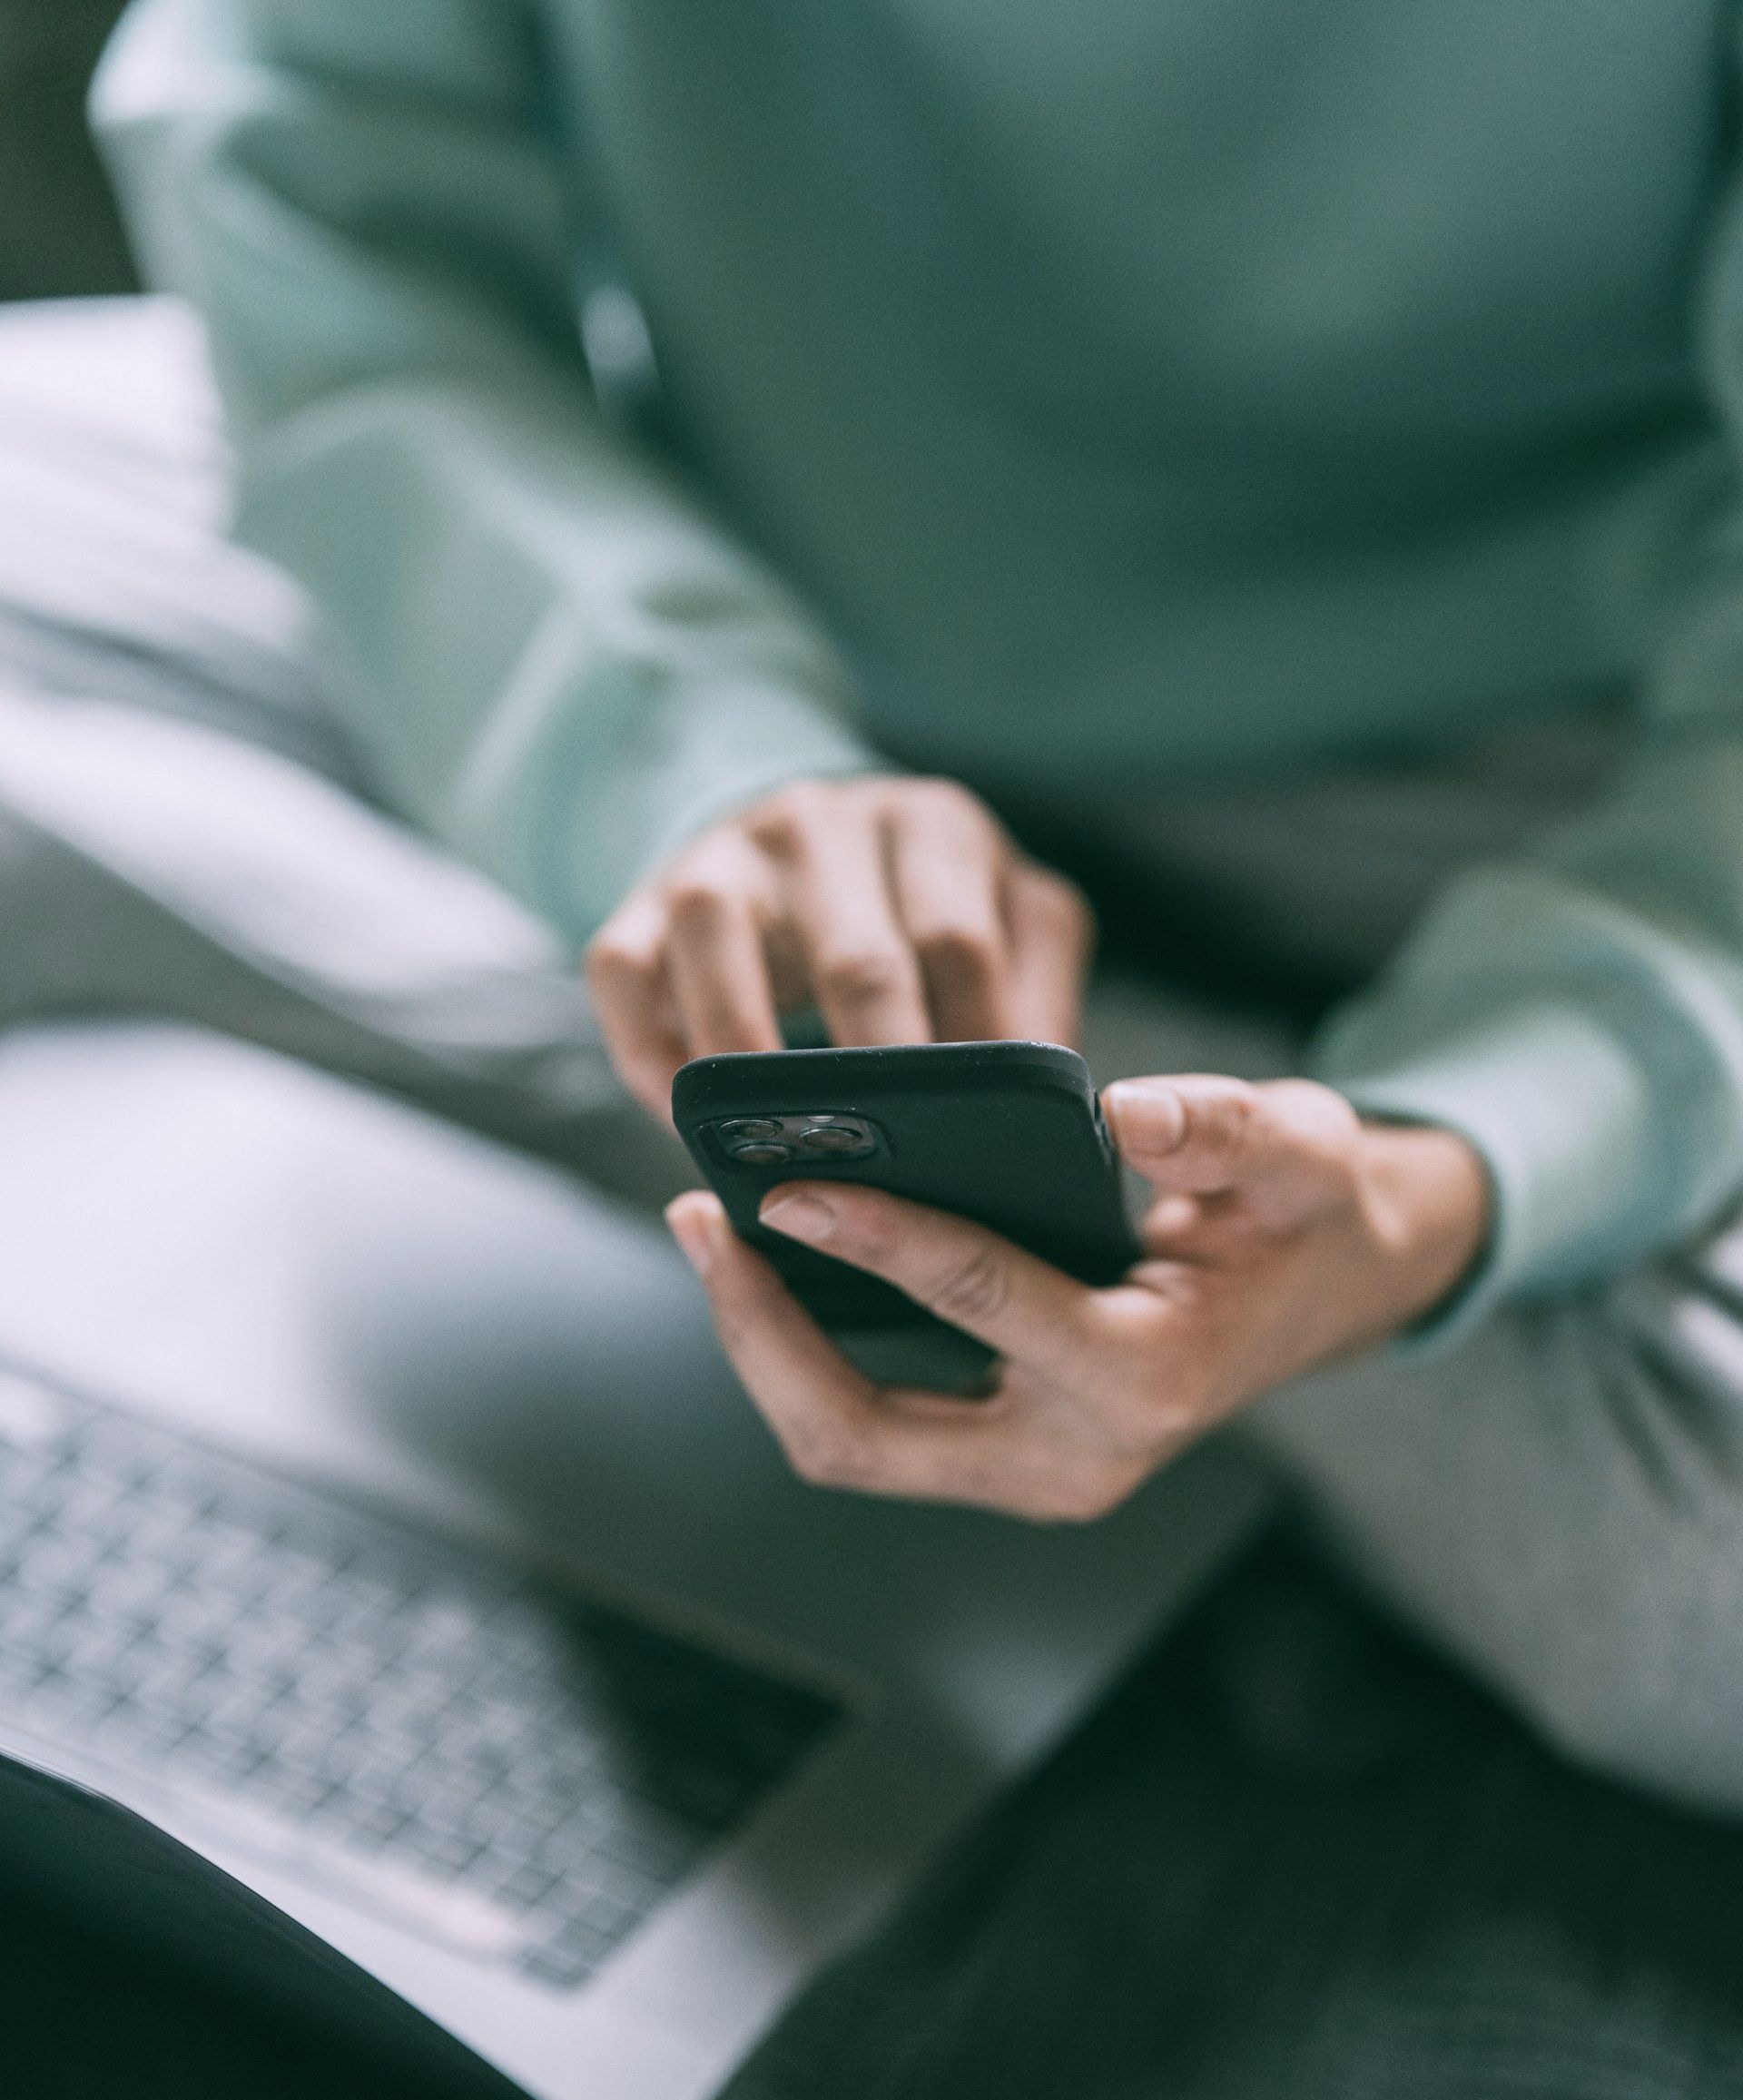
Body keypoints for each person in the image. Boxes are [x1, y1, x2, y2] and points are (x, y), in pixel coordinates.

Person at [85, 1, 1743, 1808]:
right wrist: (687, 764)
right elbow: (296, 154)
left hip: (1561, 763)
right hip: (697, 595)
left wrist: (1453, 1167)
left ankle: (859, 1126)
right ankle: (1044, 1179)